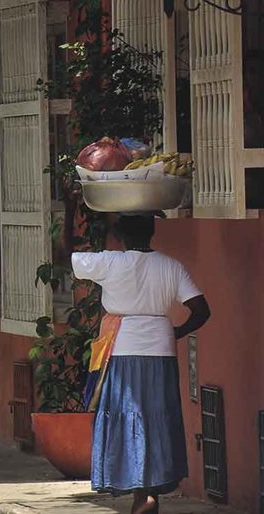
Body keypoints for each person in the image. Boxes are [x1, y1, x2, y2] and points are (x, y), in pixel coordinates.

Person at [72, 215, 211, 514]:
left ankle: (142, 492)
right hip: (161, 349)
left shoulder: (110, 262)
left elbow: (68, 257)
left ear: (120, 236)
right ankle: (150, 491)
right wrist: (176, 332)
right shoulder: (170, 266)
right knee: (156, 416)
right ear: (151, 233)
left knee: (128, 416)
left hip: (122, 350)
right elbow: (201, 310)